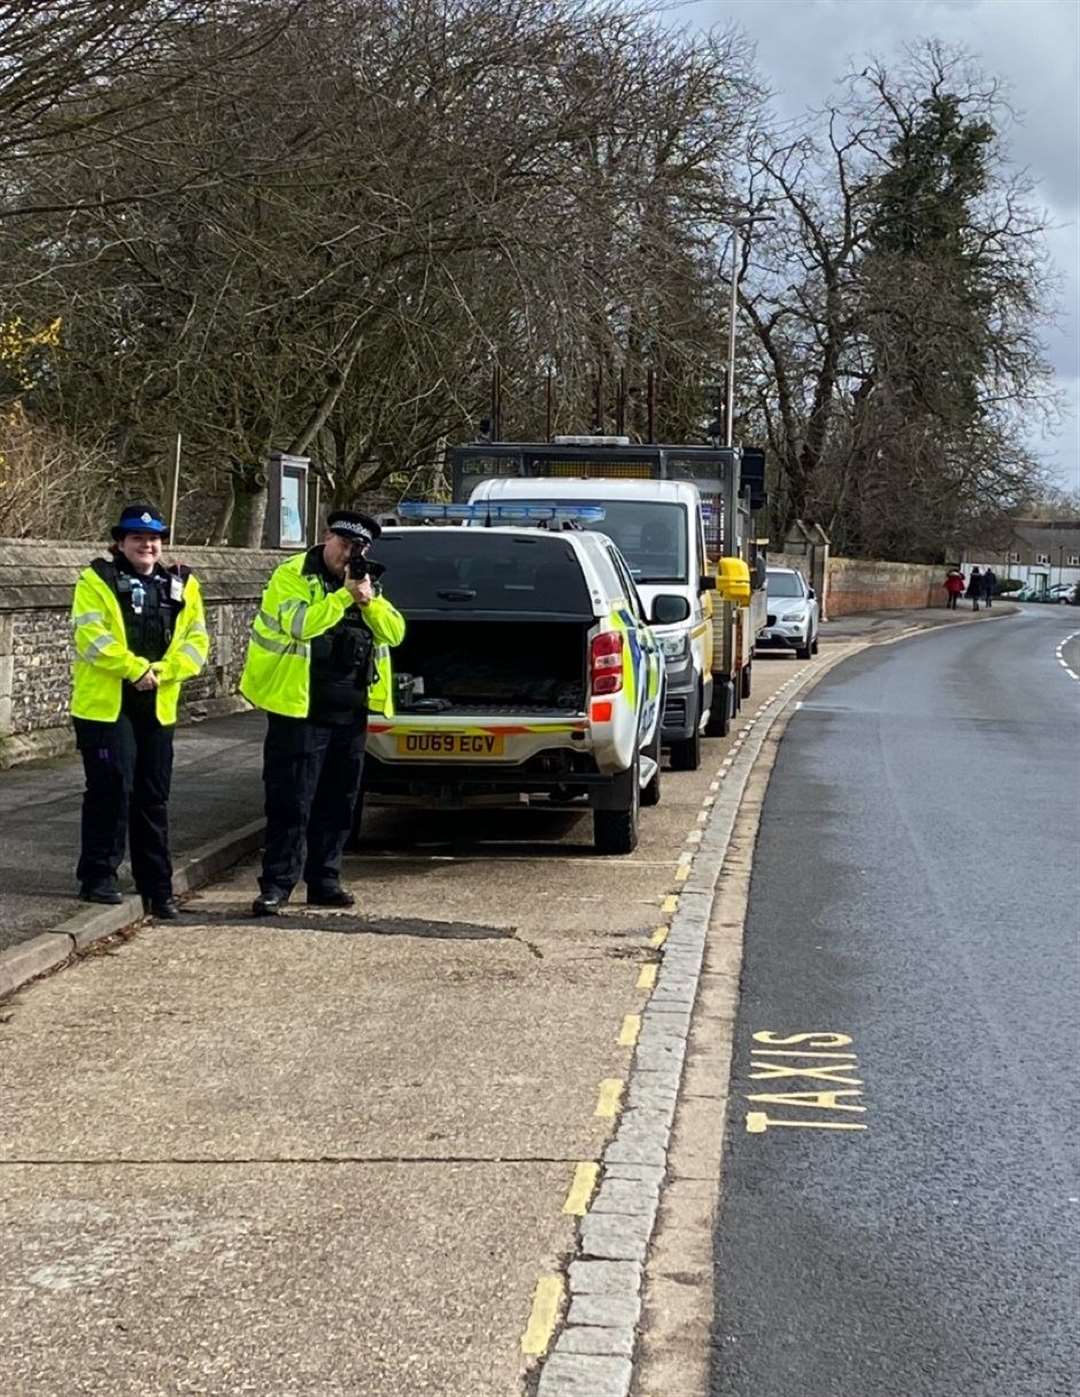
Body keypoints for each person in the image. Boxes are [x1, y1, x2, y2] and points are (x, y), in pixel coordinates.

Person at [240, 510, 405, 916]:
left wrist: (369, 602)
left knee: (338, 801)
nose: (349, 555)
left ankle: (325, 880)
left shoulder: (366, 582)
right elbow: (301, 625)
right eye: (344, 546)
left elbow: (396, 633)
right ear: (327, 537)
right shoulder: (292, 574)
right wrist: (344, 597)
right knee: (291, 801)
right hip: (299, 708)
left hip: (350, 711)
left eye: (358, 549)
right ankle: (277, 885)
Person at [70, 504, 209, 916]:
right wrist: (134, 670)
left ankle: (157, 886)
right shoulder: (96, 580)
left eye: (153, 539)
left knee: (153, 797)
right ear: (120, 543)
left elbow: (196, 642)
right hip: (107, 706)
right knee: (111, 790)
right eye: (137, 538)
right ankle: (98, 876)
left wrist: (162, 672)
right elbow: (91, 639)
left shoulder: (183, 583)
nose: (147, 545)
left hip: (157, 704)